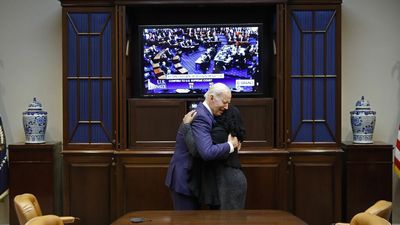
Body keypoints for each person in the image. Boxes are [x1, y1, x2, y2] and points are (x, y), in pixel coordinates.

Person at [165, 83, 240, 210]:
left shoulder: (207, 114)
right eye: (224, 102)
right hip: (185, 180)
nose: (227, 107)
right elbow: (207, 152)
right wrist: (230, 145)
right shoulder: (201, 117)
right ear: (211, 98)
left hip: (193, 178)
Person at [188, 105, 247, 210]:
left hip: (227, 183)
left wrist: (186, 126)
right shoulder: (232, 133)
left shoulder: (219, 133)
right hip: (232, 180)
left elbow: (198, 151)